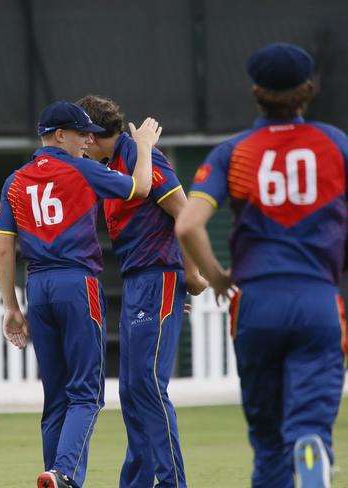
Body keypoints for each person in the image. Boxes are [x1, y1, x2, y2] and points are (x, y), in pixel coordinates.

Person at [175, 42, 348, 488]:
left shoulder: (234, 151)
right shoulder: (336, 144)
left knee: (267, 437)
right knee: (307, 420)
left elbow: (188, 225)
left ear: (255, 90)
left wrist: (217, 277)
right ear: (308, 90)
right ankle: (310, 445)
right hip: (317, 298)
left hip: (255, 300)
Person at [0, 101, 161, 488]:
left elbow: (4, 250)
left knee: (55, 397)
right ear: (59, 135)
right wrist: (146, 146)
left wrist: (11, 307)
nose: (89, 139)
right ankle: (63, 473)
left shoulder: (15, 180)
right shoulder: (81, 169)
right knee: (86, 394)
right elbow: (142, 187)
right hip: (77, 284)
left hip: (38, 288)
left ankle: (54, 475)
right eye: (81, 132)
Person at [77, 95, 207, 488]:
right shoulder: (112, 163)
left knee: (148, 384)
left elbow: (184, 212)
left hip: (158, 276)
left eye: (84, 135)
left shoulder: (136, 153)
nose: (81, 144)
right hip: (139, 280)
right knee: (133, 390)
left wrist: (192, 275)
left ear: (96, 134)